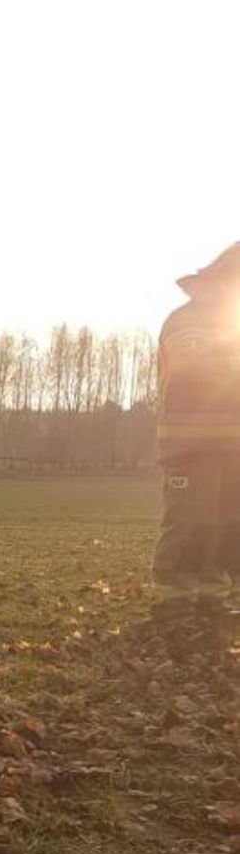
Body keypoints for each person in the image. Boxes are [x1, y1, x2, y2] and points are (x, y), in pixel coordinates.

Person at [152, 243, 240, 651]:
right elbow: (194, 374)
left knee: (225, 526)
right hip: (191, 446)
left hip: (231, 449)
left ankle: (211, 600)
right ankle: (173, 607)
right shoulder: (186, 322)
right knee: (191, 522)